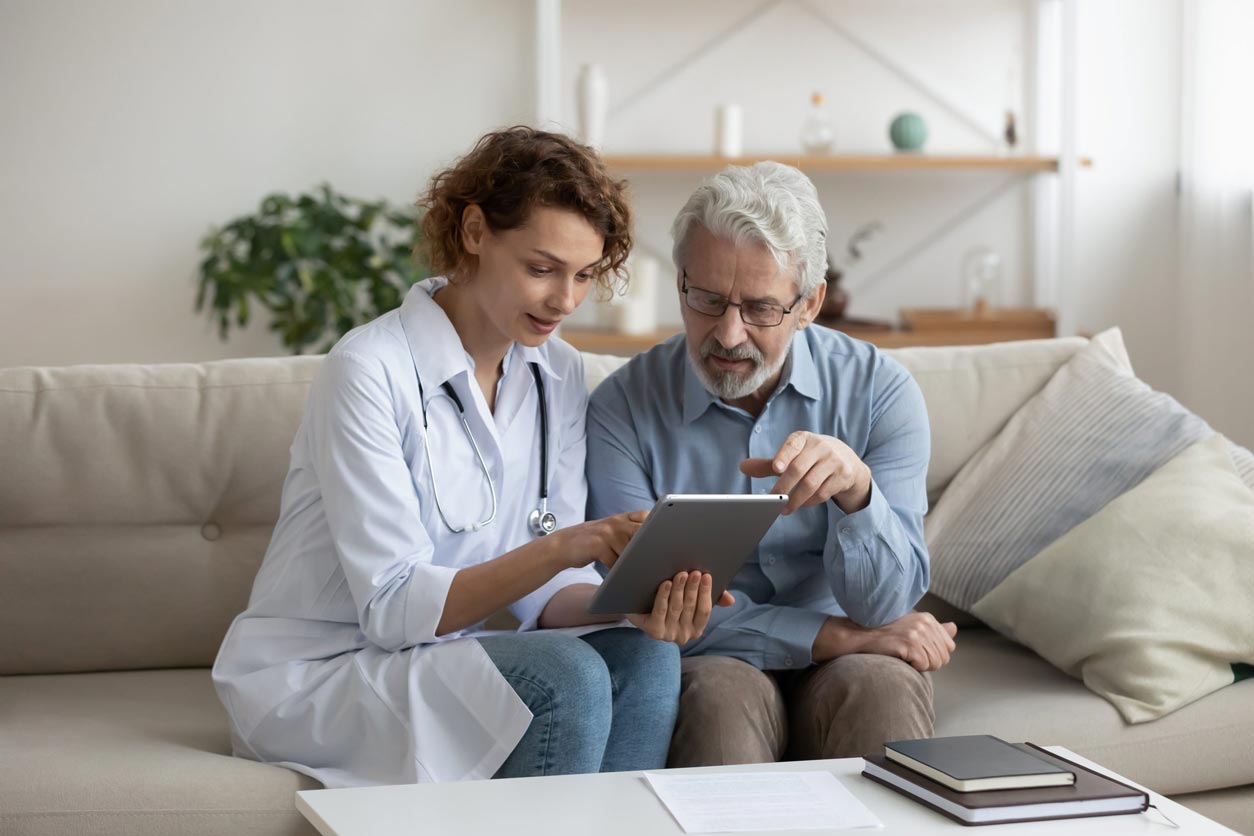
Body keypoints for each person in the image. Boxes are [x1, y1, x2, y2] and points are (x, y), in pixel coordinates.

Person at [213, 127, 727, 788]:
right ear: (476, 231)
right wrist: (573, 544)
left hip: (450, 656)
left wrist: (632, 602)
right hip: (329, 668)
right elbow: (395, 611)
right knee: (562, 676)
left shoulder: (559, 373)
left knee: (646, 658)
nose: (564, 301)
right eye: (541, 268)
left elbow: (542, 598)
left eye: (583, 276)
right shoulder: (368, 370)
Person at [586, 161, 957, 768]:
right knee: (719, 704)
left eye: (760, 309)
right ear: (680, 281)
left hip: (854, 659)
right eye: (706, 299)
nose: (728, 335)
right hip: (713, 661)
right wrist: (829, 636)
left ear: (809, 303)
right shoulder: (621, 408)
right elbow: (639, 607)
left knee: (882, 687)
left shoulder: (880, 391)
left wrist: (858, 493)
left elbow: (884, 606)